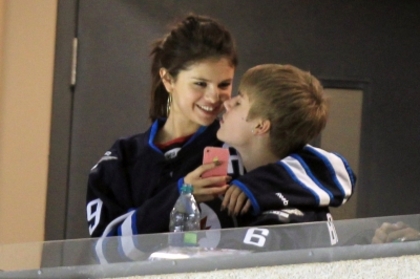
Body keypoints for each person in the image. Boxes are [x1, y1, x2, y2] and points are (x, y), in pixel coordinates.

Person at [86, 14, 239, 238]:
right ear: (168, 79)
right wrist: (180, 193)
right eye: (200, 84)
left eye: (224, 84)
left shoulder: (241, 147)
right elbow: (103, 250)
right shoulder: (119, 162)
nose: (214, 96)